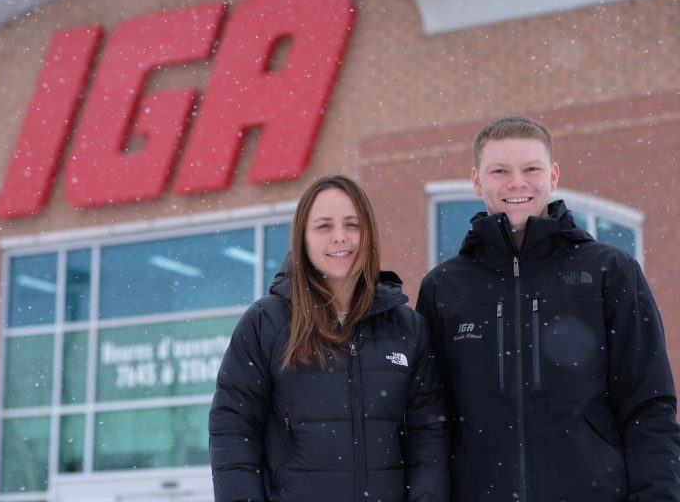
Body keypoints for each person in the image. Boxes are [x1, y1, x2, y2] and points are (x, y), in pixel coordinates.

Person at [416, 114, 680, 502]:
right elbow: (429, 423)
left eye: (531, 169)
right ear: (477, 180)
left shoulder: (609, 271)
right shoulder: (443, 287)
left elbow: (649, 405)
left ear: (553, 175)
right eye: (500, 171)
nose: (517, 183)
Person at [209, 175, 449, 502]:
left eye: (352, 224)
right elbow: (233, 429)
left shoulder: (408, 328)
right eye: (324, 226)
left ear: (368, 235)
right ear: (303, 239)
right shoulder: (266, 323)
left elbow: (429, 434)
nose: (340, 237)